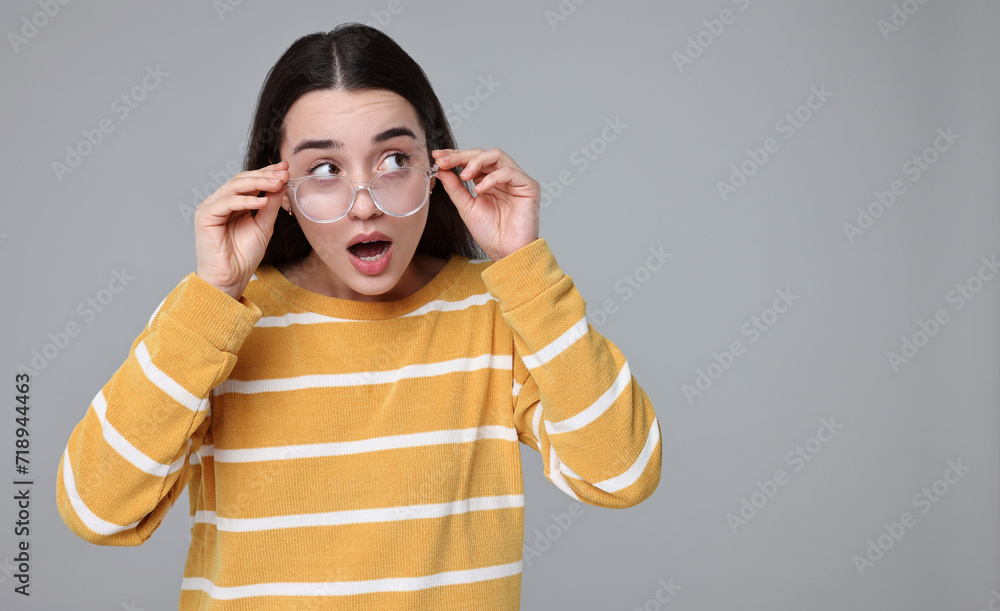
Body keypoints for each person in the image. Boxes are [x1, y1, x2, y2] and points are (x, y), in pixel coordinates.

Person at [56, 22, 662, 610]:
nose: (365, 204)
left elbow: (623, 473)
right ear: (281, 188)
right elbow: (97, 511)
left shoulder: (497, 312)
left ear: (437, 166)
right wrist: (214, 295)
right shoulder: (217, 321)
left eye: (394, 159)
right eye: (325, 169)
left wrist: (527, 269)